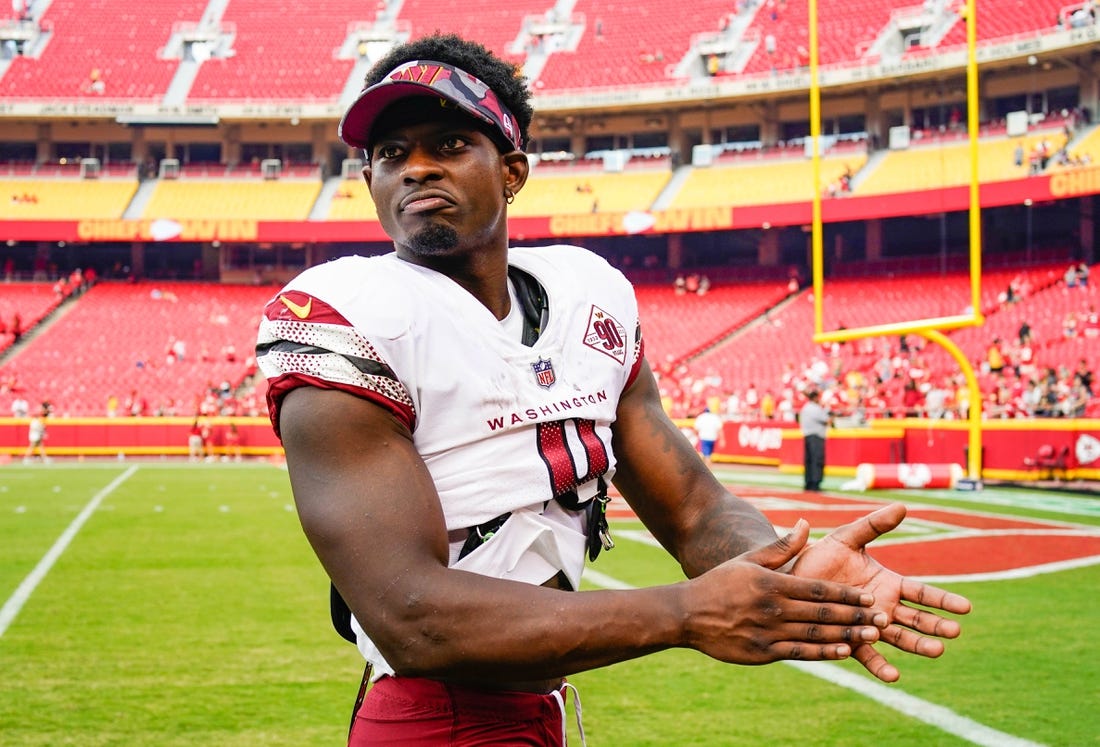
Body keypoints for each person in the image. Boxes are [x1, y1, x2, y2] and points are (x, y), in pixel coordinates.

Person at [256, 33, 970, 746]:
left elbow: (694, 508)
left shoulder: (586, 295)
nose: (415, 169)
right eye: (390, 154)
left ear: (511, 170)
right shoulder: (343, 312)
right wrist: (686, 613)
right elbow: (412, 616)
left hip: (545, 708)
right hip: (432, 717)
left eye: (447, 144)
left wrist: (790, 564)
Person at [799, 389, 831, 491]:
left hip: (807, 435)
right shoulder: (816, 409)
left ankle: (808, 483)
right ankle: (815, 483)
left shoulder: (805, 408)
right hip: (816, 436)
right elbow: (827, 420)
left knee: (809, 460)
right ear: (816, 397)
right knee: (817, 460)